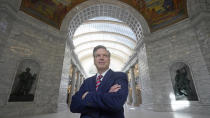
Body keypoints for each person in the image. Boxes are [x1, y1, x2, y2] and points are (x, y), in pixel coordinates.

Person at [70, 45, 128, 118]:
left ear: (109, 59)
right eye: (98, 55)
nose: (101, 58)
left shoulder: (119, 76)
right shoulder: (87, 81)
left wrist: (87, 96)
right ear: (94, 60)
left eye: (105, 55)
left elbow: (116, 103)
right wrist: (107, 95)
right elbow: (74, 106)